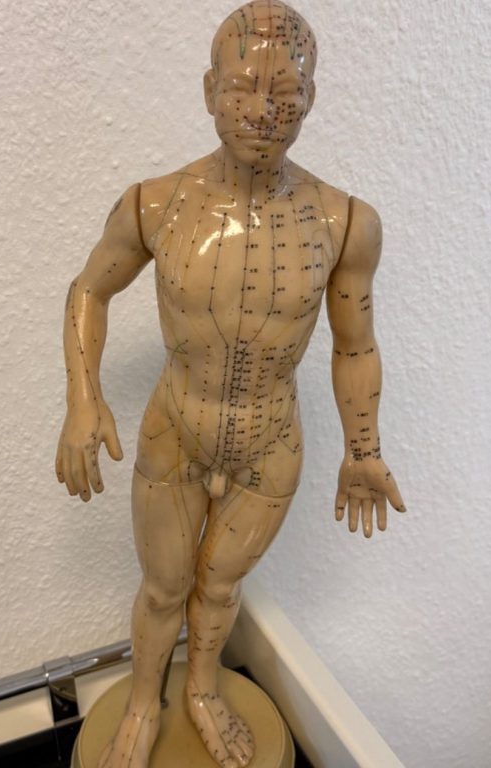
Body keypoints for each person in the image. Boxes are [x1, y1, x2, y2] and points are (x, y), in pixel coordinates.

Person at [56, 2, 406, 766]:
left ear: (312, 100)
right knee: (163, 587)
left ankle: (204, 690)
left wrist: (364, 449)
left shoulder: (346, 223)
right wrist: (83, 399)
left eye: (285, 92)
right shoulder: (154, 203)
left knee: (219, 589)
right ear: (209, 90)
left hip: (271, 443)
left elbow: (356, 346)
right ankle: (143, 702)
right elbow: (89, 290)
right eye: (243, 86)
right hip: (175, 428)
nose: (262, 110)